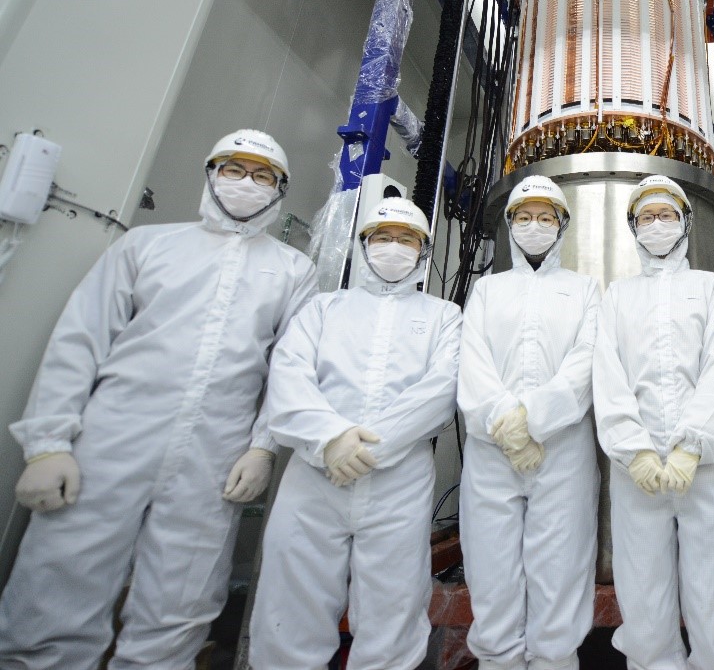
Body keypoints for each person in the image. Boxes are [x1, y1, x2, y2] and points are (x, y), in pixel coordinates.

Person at [0, 129, 316, 669]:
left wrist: (263, 447)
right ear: (211, 173)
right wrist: (48, 443)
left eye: (263, 175)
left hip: (215, 452)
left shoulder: (292, 270)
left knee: (182, 597)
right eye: (234, 169)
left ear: (279, 190)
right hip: (112, 438)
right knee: (60, 577)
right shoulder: (146, 246)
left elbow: (291, 366)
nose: (247, 182)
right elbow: (81, 339)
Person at [249, 196, 462, 669]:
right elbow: (288, 377)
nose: (394, 247)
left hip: (398, 480)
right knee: (291, 603)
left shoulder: (443, 315)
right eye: (382, 238)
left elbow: (440, 390)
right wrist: (331, 440)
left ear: (424, 250)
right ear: (364, 245)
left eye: (407, 240)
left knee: (394, 608)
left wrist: (364, 448)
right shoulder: (323, 308)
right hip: (315, 476)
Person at [593, 175, 714, 670]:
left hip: (706, 465)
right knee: (643, 592)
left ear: (685, 223)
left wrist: (693, 444)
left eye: (666, 215)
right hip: (637, 470)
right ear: (634, 228)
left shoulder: (709, 287)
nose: (657, 224)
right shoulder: (617, 296)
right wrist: (634, 449)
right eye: (646, 217)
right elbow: (607, 373)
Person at [458, 175, 600, 670]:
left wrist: (534, 420)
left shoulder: (584, 289)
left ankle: (553, 659)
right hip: (491, 449)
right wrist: (506, 421)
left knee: (561, 568)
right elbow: (472, 361)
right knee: (490, 567)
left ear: (561, 225)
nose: (534, 226)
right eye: (523, 217)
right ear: (509, 224)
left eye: (545, 217)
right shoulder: (486, 289)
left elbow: (586, 362)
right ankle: (497, 659)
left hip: (562, 449)